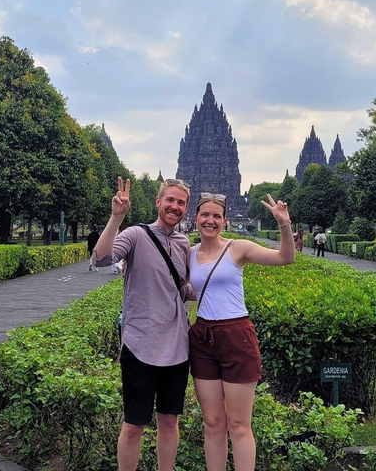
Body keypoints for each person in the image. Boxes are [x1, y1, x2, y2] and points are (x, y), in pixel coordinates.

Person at [188, 192, 295, 471]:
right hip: (202, 337)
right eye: (205, 215)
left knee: (238, 424)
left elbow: (285, 258)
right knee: (212, 422)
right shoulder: (189, 254)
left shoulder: (238, 248)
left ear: (224, 220)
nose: (210, 221)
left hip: (236, 335)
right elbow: (187, 290)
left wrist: (284, 224)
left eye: (216, 216)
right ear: (195, 218)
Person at [92, 177, 192, 471]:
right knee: (134, 425)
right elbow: (100, 259)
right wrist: (116, 217)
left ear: (185, 208)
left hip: (177, 347)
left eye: (181, 202)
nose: (175, 207)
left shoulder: (184, 244)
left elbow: (183, 288)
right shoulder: (135, 235)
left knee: (170, 421)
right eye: (170, 200)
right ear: (158, 202)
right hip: (140, 346)